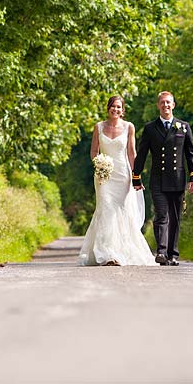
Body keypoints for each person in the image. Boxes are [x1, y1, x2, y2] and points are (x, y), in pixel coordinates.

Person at [78, 96, 156, 266]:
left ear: (123, 110)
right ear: (108, 108)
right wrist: (99, 164)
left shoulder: (129, 127)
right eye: (113, 106)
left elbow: (131, 153)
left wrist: (136, 176)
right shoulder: (98, 126)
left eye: (119, 107)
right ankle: (106, 253)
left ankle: (122, 251)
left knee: (121, 210)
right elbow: (93, 151)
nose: (116, 109)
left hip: (123, 174)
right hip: (103, 175)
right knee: (105, 208)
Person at [132, 91, 193, 266]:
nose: (166, 105)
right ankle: (161, 252)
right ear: (158, 106)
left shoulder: (183, 127)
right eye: (162, 103)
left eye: (168, 102)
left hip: (177, 179)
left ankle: (173, 254)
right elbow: (142, 154)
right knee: (162, 215)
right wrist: (136, 176)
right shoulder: (150, 128)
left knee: (175, 217)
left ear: (173, 105)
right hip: (158, 180)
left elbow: (190, 154)